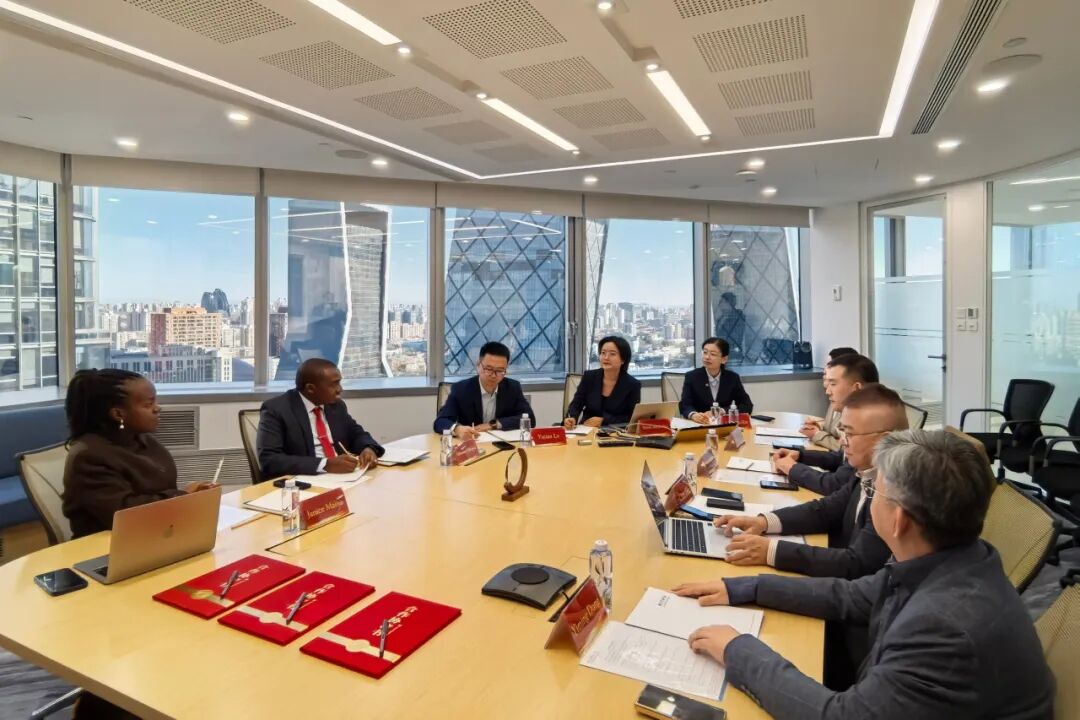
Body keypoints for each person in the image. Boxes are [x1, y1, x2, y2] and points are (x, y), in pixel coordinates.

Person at [673, 429, 1055, 719]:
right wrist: (745, 587)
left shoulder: (944, 629)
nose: (866, 496)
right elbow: (851, 596)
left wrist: (737, 650)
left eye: (874, 492)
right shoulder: (952, 558)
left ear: (899, 519)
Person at [61, 369, 217, 540]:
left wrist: (187, 496)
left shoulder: (143, 439)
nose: (157, 408)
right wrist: (181, 496)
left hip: (156, 534)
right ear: (118, 414)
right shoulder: (89, 456)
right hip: (107, 545)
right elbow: (125, 513)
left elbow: (158, 489)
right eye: (148, 404)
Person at [257, 358, 384, 478]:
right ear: (310, 388)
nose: (340, 390)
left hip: (345, 476)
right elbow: (269, 459)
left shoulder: (336, 405)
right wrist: (325, 465)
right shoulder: (277, 409)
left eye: (339, 383)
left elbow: (356, 433)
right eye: (334, 384)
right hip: (305, 479)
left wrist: (368, 448)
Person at [777, 353, 880, 495]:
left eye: (833, 384)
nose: (827, 391)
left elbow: (835, 484)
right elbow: (840, 459)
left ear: (856, 388)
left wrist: (792, 468)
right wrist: (800, 456)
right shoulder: (857, 418)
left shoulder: (870, 427)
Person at [433, 341, 536, 439]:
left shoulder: (512, 387)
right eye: (488, 369)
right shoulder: (461, 389)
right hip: (470, 443)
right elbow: (440, 421)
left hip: (500, 444)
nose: (493, 375)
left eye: (500, 370)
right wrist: (457, 429)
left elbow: (529, 419)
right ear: (478, 366)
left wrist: (493, 425)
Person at [564, 336, 642, 428]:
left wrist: (604, 420)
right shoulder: (589, 377)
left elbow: (631, 418)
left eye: (612, 354)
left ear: (623, 360)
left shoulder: (632, 385)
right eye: (603, 353)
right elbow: (576, 404)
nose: (606, 357)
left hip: (615, 432)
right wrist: (572, 417)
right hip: (587, 429)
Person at [679, 337, 753, 422]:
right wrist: (693, 415)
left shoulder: (732, 378)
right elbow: (685, 405)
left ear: (724, 359)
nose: (707, 357)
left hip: (723, 424)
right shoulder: (692, 376)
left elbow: (747, 405)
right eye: (705, 352)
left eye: (713, 354)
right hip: (699, 424)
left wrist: (722, 411)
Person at [799, 347, 860, 449]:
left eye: (829, 366)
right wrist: (817, 426)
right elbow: (832, 430)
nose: (825, 371)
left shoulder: (854, 407)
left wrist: (817, 434)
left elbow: (845, 447)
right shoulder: (835, 396)